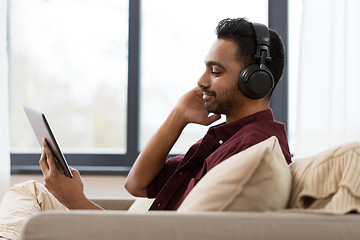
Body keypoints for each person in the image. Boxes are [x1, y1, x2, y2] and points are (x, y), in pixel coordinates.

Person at [0, 17, 291, 239]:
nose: (202, 80)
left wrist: (75, 199)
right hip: (133, 229)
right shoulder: (226, 139)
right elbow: (136, 184)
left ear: (256, 80)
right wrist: (178, 115)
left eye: (215, 72)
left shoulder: (251, 146)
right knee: (29, 192)